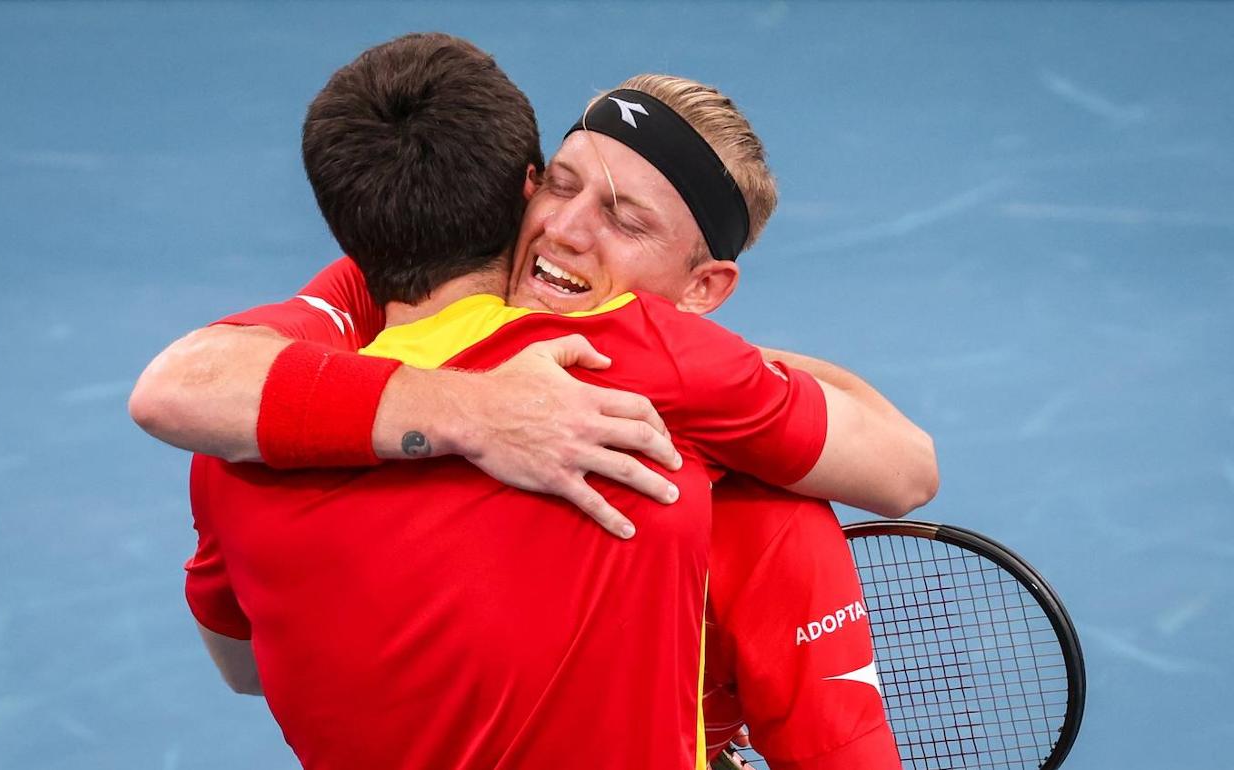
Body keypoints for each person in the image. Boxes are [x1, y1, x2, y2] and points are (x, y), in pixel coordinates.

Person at [132, 39, 937, 770]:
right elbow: (906, 470)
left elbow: (243, 667)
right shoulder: (661, 365)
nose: (565, 231)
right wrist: (486, 411)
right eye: (562, 184)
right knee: (773, 507)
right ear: (523, 188)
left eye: (624, 219)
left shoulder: (256, 424)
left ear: (705, 286)